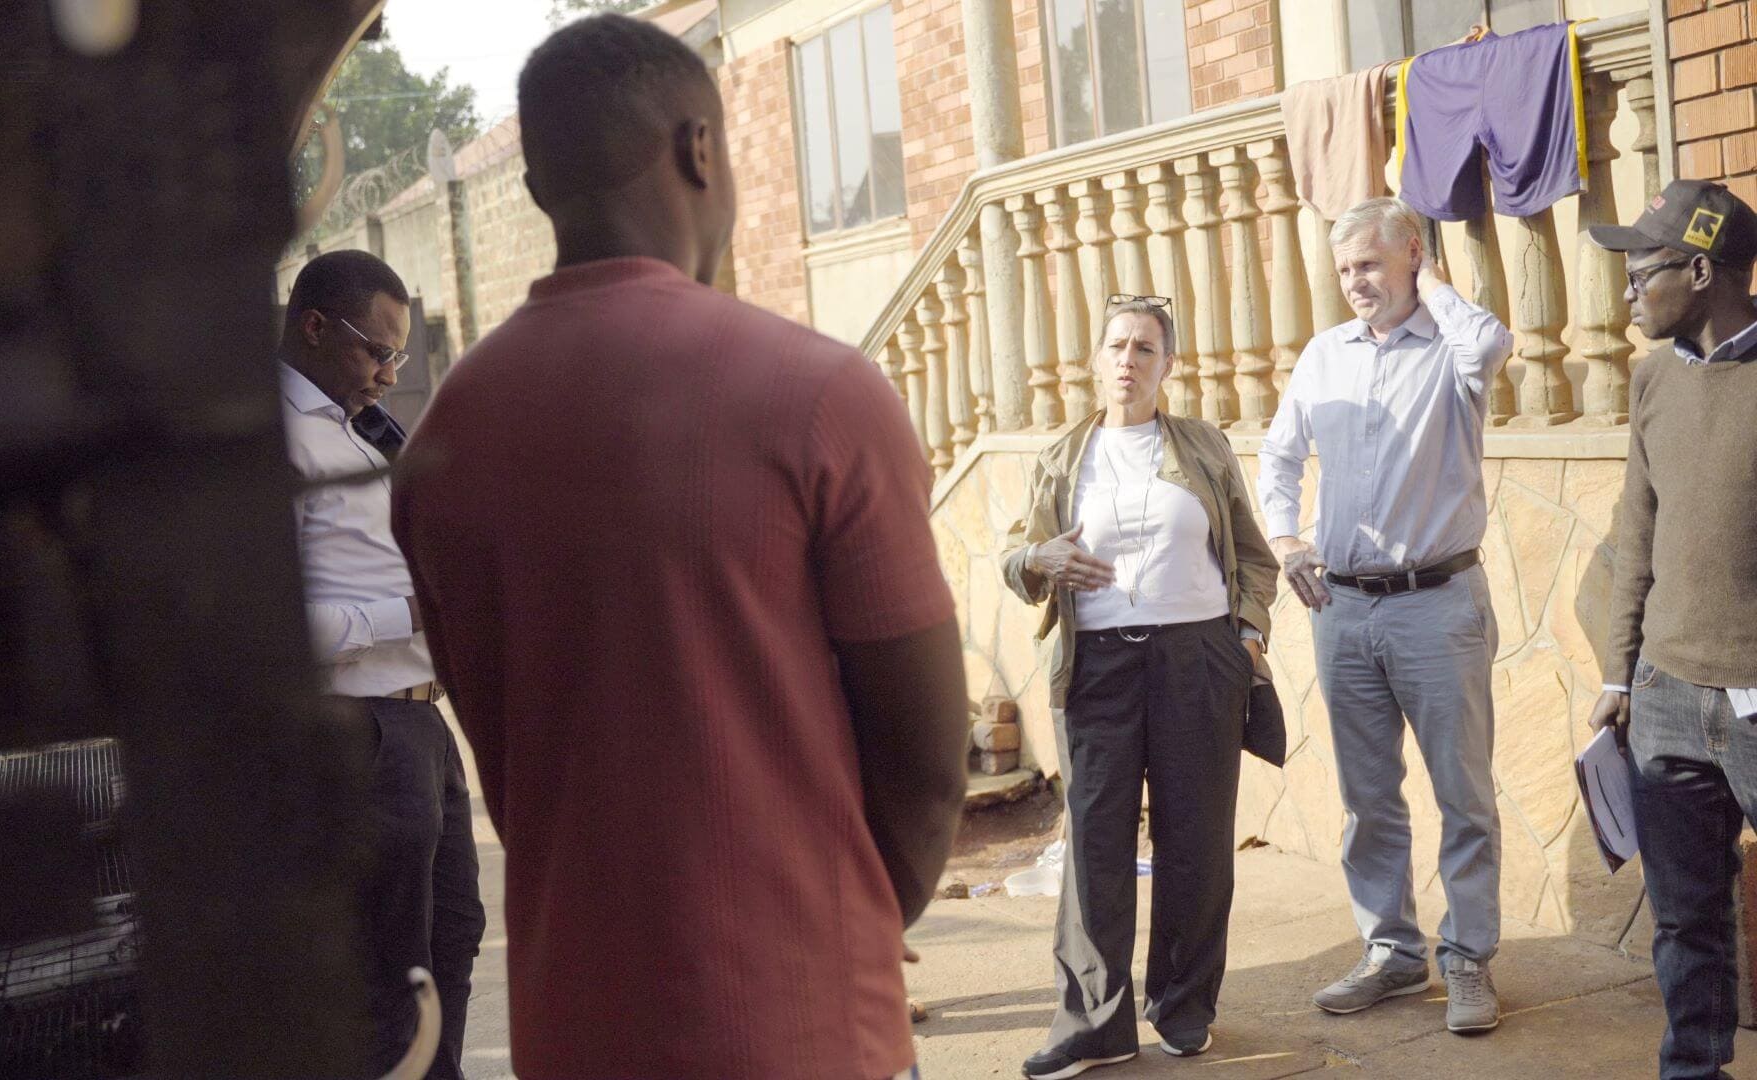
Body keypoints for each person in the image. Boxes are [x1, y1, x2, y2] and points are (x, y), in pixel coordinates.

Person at [389, 15, 969, 1080]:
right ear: (702, 149)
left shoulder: (444, 444)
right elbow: (932, 766)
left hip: (576, 1022)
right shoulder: (818, 394)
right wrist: (830, 930)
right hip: (800, 1023)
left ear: (534, 189)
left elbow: (511, 757)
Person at [1002, 296, 1279, 1079]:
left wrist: (1250, 636)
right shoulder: (1062, 457)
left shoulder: (1203, 446)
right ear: (1096, 360)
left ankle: (1184, 1008)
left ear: (1168, 365)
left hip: (1199, 658)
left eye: (1146, 348)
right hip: (1096, 667)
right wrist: (1039, 562)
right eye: (1117, 345)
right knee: (1095, 844)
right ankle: (1096, 1023)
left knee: (1196, 839)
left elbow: (1254, 559)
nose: (1129, 359)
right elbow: (1015, 559)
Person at [1258, 196, 1513, 1034]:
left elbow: (1492, 343)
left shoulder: (1451, 349)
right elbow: (1281, 454)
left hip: (1437, 605)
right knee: (1369, 797)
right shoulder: (1324, 355)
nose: (1354, 284)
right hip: (1343, 605)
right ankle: (1392, 954)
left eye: (1370, 263)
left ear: (1411, 254)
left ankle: (1468, 959)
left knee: (1463, 793)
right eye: (1343, 271)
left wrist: (1431, 279)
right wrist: (1288, 534)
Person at [277, 249, 484, 1080]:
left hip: (417, 720)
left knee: (454, 937)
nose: (390, 374)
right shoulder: (276, 439)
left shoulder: (354, 426)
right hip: (361, 727)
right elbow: (272, 627)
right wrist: (411, 613)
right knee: (395, 973)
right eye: (377, 351)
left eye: (399, 355)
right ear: (316, 326)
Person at [1586, 179, 1757, 1080]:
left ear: (1699, 269)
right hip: (1664, 702)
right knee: (1687, 916)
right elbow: (1636, 538)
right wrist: (1620, 677)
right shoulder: (1652, 378)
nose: (1626, 293)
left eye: (1638, 272)